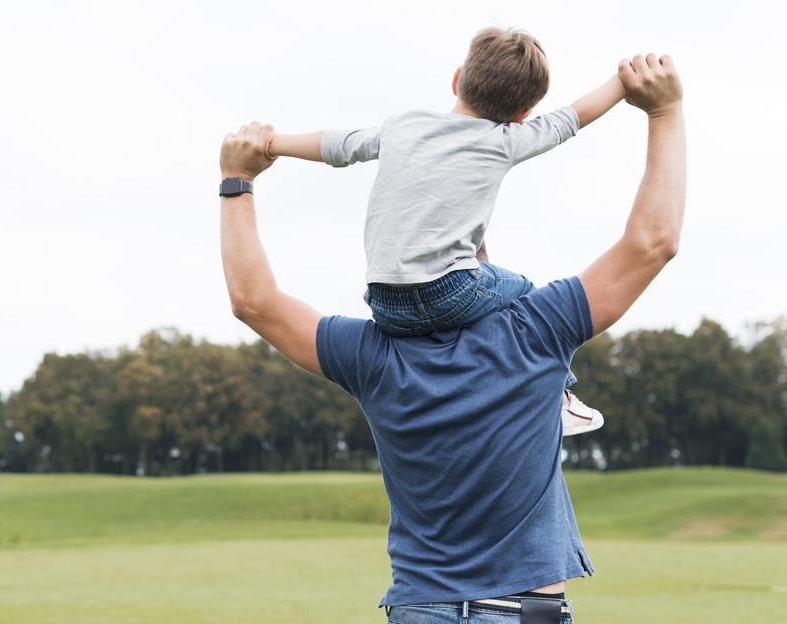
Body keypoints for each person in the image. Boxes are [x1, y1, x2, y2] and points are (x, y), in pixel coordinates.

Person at [217, 52, 684, 624]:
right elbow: (652, 241)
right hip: (528, 622)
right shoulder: (538, 328)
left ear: (457, 85)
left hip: (423, 622)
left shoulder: (372, 354)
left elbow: (255, 300)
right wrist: (662, 112)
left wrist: (236, 180)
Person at [267, 27, 629, 436]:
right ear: (524, 114)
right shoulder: (506, 139)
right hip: (448, 293)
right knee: (526, 292)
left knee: (482, 263)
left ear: (457, 79)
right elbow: (572, 117)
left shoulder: (404, 126)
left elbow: (338, 145)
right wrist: (622, 81)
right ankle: (561, 399)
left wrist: (272, 144)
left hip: (385, 302)